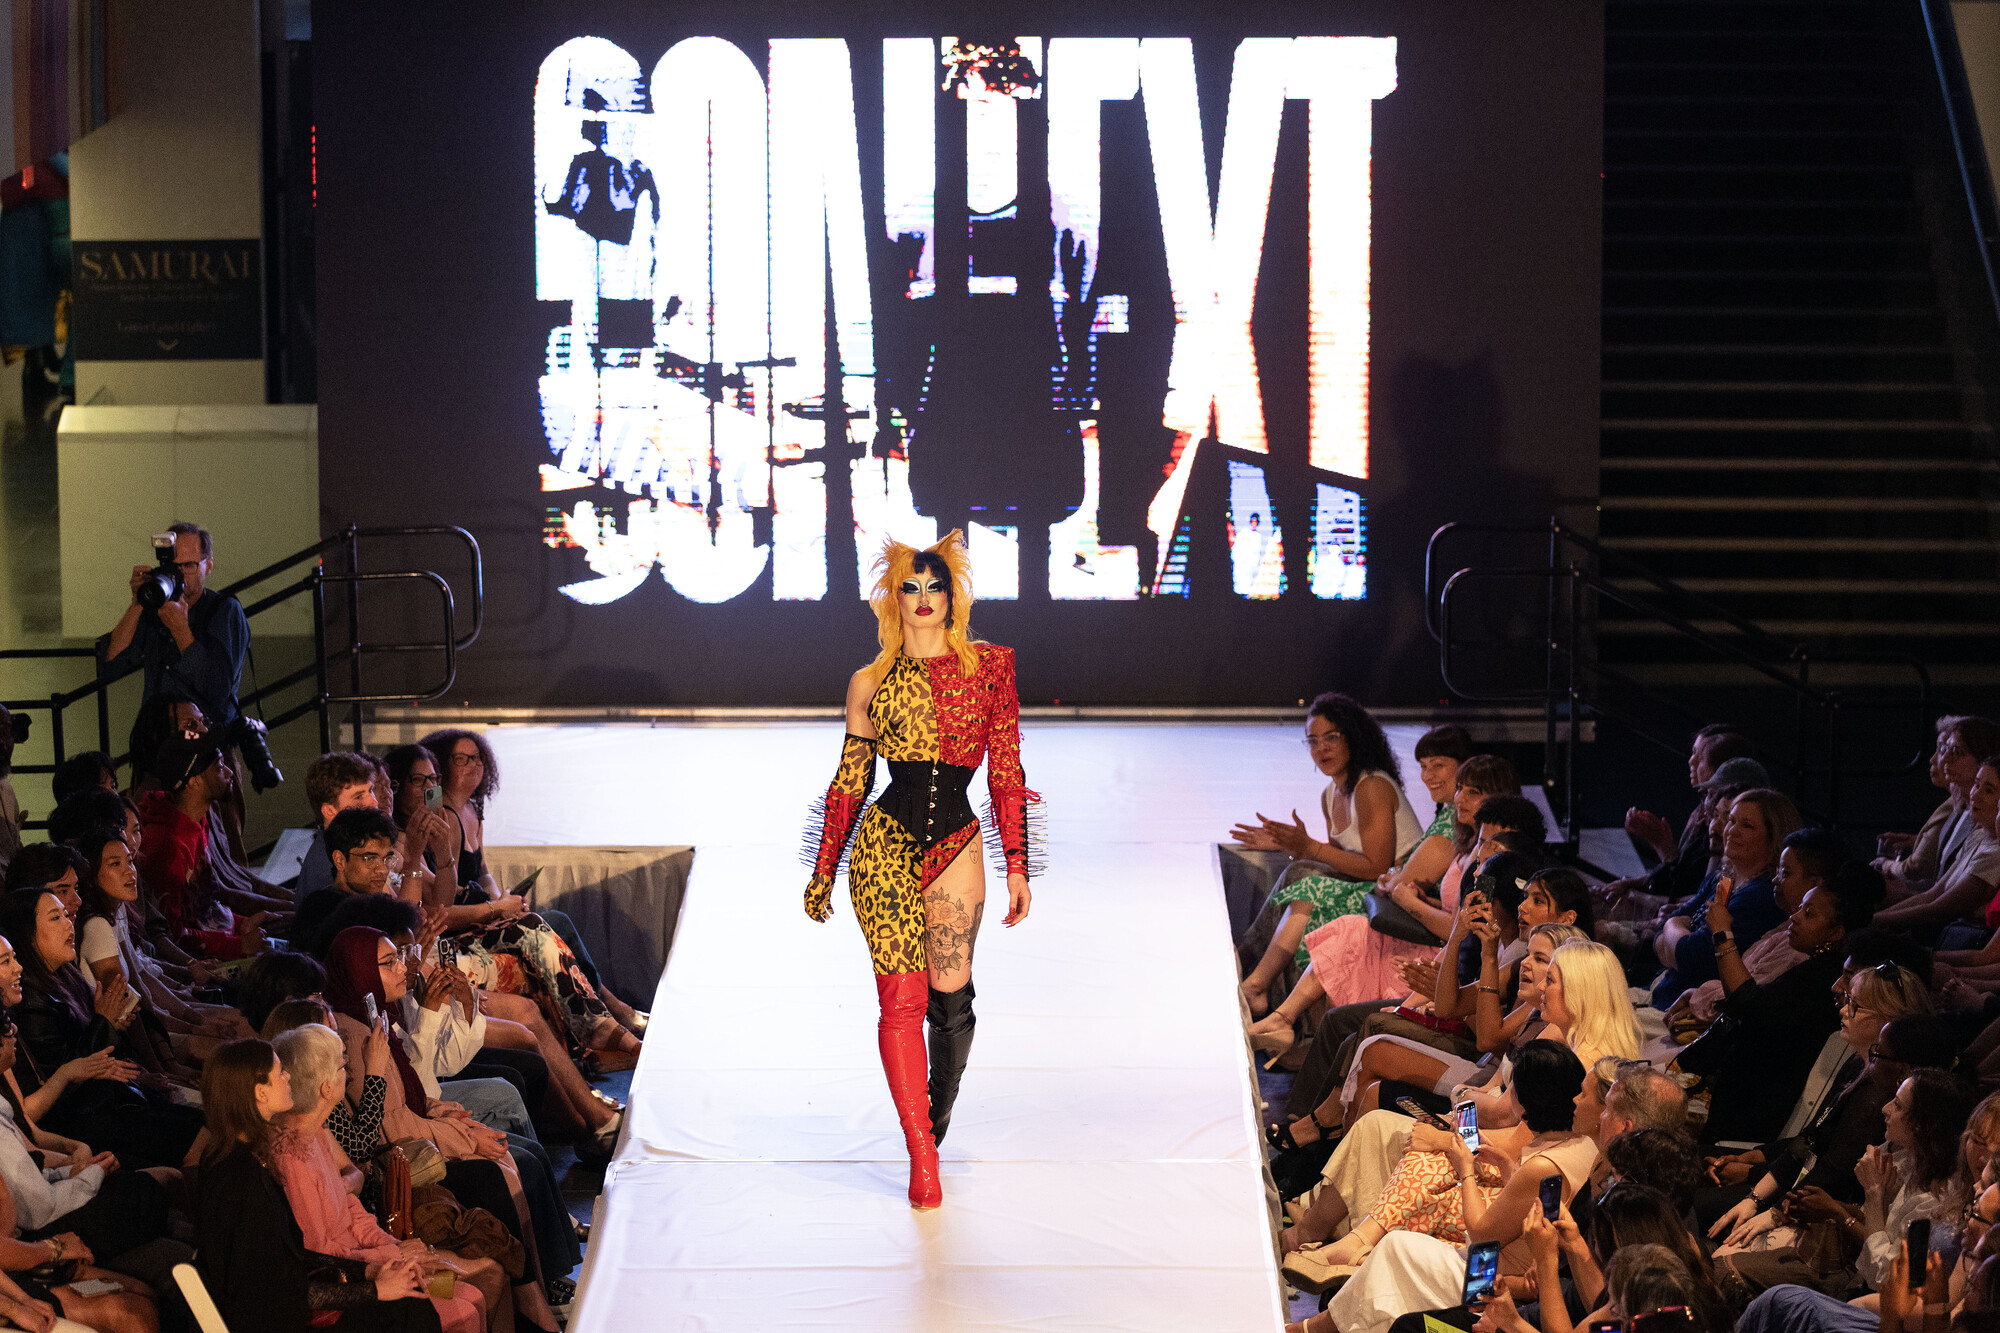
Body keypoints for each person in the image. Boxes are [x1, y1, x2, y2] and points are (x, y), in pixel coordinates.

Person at [802, 531, 1039, 1212]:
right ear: (893, 599)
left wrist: (1018, 863)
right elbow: (849, 781)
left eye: (937, 586)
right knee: (900, 1001)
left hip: (956, 841)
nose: (926, 597)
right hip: (883, 846)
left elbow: (1006, 768)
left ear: (954, 596)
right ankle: (922, 1155)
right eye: (913, 586)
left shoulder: (990, 668)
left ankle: (932, 1123)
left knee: (950, 993)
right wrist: (824, 868)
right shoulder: (870, 682)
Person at [321, 926, 576, 1329]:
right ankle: (538, 1302)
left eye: (403, 955)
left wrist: (446, 1113)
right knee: (499, 1170)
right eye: (390, 962)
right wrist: (465, 1134)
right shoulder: (354, 1041)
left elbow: (410, 1095)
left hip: (389, 1188)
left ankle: (544, 1287)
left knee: (509, 1155)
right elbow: (380, 1134)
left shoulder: (375, 1018)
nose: (404, 967)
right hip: (395, 1185)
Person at [195, 1038, 442, 1333]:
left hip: (284, 1304)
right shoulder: (241, 1180)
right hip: (272, 1321)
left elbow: (290, 1257)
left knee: (409, 1300)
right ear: (260, 1092)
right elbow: (275, 1293)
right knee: (408, 1307)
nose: (288, 1077)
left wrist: (368, 1270)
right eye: (279, 1073)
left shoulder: (243, 1157)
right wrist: (374, 1289)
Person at [415, 731, 647, 1039]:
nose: (474, 765)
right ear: (444, 766)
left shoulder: (473, 810)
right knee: (554, 923)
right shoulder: (441, 820)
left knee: (551, 922)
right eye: (462, 759)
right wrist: (496, 909)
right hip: (465, 920)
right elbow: (445, 898)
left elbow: (482, 869)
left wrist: (502, 899)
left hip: (485, 908)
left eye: (478, 758)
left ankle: (608, 1012)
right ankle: (610, 1010)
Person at [269, 1024, 496, 1333]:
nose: (347, 1070)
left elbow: (351, 1209)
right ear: (325, 1087)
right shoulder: (291, 1158)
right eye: (341, 1065)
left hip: (376, 1263)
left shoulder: (316, 1135)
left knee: (477, 1291)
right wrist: (392, 1255)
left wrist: (392, 1246)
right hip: (351, 1291)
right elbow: (320, 1258)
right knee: (466, 1305)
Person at [1231, 693, 1424, 1021]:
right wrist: (1288, 845)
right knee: (1303, 871)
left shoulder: (1371, 786)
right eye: (1313, 740)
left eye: (1331, 737)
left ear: (1354, 736)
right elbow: (1344, 859)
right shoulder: (1331, 793)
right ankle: (1257, 979)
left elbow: (1376, 866)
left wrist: (1309, 849)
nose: (1321, 749)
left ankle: (1251, 967)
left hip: (1397, 895)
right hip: (1370, 886)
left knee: (1305, 874)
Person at [1685, 865, 1895, 1145]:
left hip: (1757, 1118)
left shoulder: (1822, 977)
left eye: (1808, 914)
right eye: (1800, 909)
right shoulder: (1814, 965)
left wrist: (1722, 933)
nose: (1794, 918)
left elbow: (1748, 1004)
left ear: (1835, 933)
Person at [0, 894, 203, 1168]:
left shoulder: (64, 976)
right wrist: (104, 1023)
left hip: (107, 1102)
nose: (70, 921)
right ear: (28, 933)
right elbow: (56, 1091)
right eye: (55, 917)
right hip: (84, 1116)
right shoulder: (29, 1005)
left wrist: (113, 1027)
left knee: (204, 1124)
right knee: (198, 1142)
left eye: (66, 913)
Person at [1665, 826, 1848, 1037]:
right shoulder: (1783, 928)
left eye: (1786, 873)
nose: (1775, 879)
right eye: (1731, 820)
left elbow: (1747, 1000)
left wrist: (1720, 931)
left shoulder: (1800, 946)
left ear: (1815, 884)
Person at [1650, 787, 1803, 1007]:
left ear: (1773, 839)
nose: (1732, 830)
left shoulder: (1761, 895)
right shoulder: (1725, 880)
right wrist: (1675, 936)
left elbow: (1692, 957)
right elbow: (1662, 934)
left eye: (1746, 825)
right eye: (1731, 820)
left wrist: (1673, 927)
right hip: (1662, 993)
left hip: (1686, 1010)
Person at [104, 522, 249, 736]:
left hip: (206, 742)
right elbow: (111, 664)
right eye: (173, 567)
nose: (179, 575)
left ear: (208, 566)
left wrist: (181, 630)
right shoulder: (156, 608)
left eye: (188, 566)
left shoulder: (225, 610)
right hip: (158, 739)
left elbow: (217, 690)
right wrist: (137, 602)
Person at [134, 734, 268, 960]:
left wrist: (242, 923)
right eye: (218, 767)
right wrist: (238, 946)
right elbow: (173, 935)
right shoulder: (166, 845)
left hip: (224, 939)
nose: (230, 773)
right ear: (194, 781)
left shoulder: (197, 820)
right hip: (203, 964)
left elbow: (203, 908)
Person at [1877, 716, 2000, 899]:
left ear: (1983, 759)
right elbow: (1939, 889)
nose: (1943, 759)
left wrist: (1887, 869)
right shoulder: (1963, 810)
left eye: (1957, 752)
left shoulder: (1984, 825)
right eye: (1946, 749)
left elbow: (1939, 899)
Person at [293, 807, 403, 954]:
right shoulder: (322, 912)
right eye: (370, 859)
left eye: (387, 858)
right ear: (340, 860)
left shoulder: (374, 904)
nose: (383, 870)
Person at [294, 752, 391, 901]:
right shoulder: (330, 867)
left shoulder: (348, 847)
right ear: (329, 811)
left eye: (370, 791)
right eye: (358, 797)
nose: (374, 802)